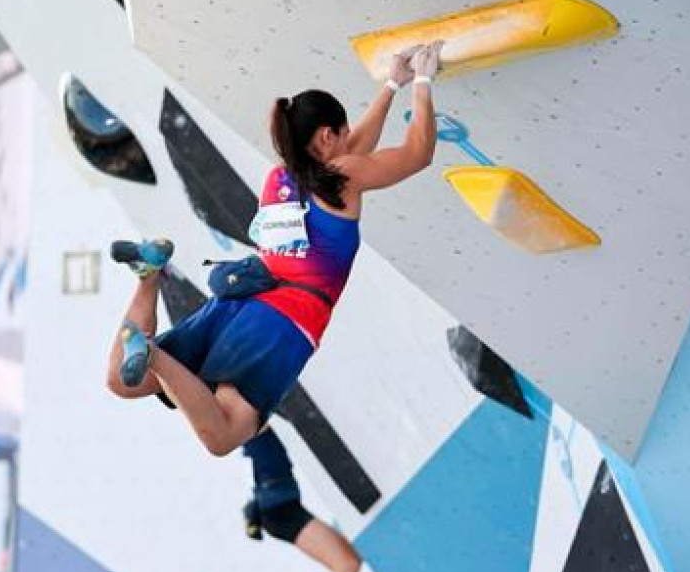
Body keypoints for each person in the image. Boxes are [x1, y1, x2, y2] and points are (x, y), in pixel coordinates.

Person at [106, 41, 444, 456]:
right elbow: (416, 154)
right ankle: (154, 355)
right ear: (325, 137)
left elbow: (353, 147)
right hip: (284, 319)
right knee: (224, 434)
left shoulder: (281, 178)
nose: (348, 139)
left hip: (240, 299)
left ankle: (149, 275)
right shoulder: (341, 178)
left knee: (124, 382)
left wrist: (393, 83)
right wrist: (424, 80)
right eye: (340, 132)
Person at [242, 427, 364, 572]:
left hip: (281, 506)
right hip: (280, 512)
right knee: (347, 564)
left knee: (352, 557)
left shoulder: (255, 420)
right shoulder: (251, 418)